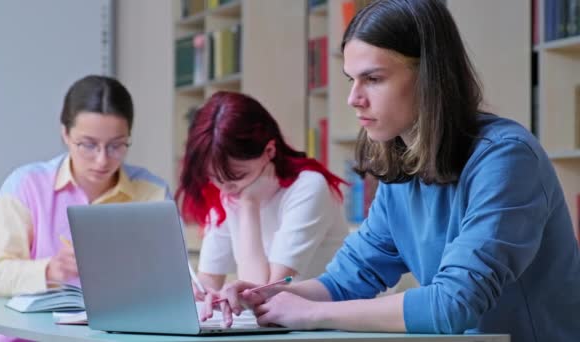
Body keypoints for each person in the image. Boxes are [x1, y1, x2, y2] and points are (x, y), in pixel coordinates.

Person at [211, 1, 580, 341]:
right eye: (351, 79)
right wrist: (271, 295)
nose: (353, 98)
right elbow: (346, 280)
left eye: (372, 79)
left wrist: (312, 313)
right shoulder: (404, 165)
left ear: (430, 78)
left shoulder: (506, 159)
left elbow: (452, 305)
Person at [0, 75, 171, 342]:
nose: (102, 159)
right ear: (66, 135)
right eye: (88, 145)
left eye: (117, 145)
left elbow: (170, 285)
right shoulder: (26, 185)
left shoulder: (152, 192)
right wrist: (50, 270)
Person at [175, 91, 349, 301]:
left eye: (238, 175)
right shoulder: (227, 190)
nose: (226, 188)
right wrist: (203, 295)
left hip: (338, 320)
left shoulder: (308, 187)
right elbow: (209, 282)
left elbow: (263, 292)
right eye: (213, 176)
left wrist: (249, 204)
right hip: (287, 323)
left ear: (269, 151)